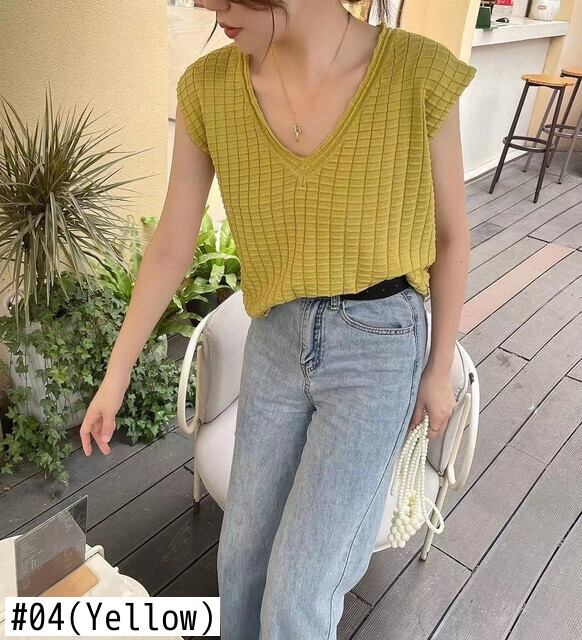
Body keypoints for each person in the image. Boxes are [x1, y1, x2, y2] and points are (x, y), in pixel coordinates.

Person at [80, 0, 477, 637]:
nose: (208, 5)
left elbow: (452, 236)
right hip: (273, 339)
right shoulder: (208, 89)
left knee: (300, 590)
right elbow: (173, 243)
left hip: (378, 350)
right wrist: (117, 371)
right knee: (242, 560)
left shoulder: (418, 74)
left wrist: (437, 373)